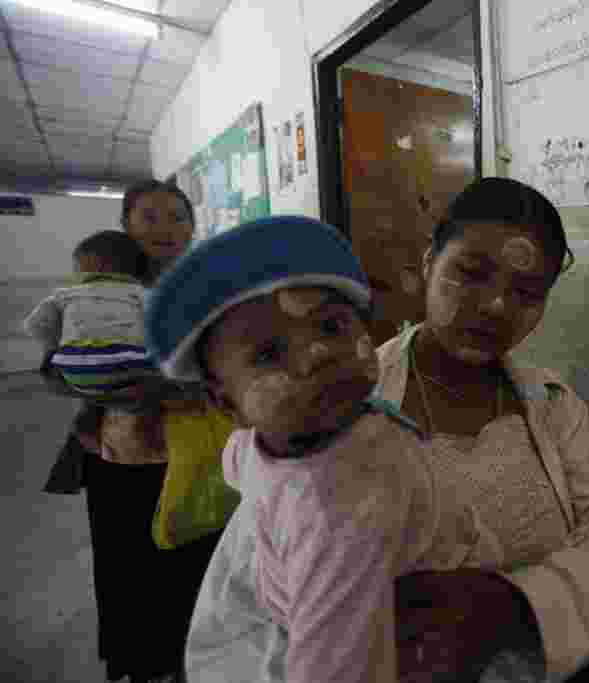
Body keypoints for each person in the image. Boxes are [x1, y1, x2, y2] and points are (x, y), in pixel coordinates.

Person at [144, 215, 503, 683]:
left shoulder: (261, 442)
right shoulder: (339, 515)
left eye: (332, 327)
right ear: (226, 401)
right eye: (269, 355)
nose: (318, 354)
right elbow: (335, 667)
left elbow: (239, 463)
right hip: (386, 619)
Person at [375, 177, 589, 682]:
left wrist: (512, 602)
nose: (498, 306)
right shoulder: (349, 408)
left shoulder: (554, 407)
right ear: (429, 261)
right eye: (472, 273)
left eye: (526, 292)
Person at [58, 179, 221, 683]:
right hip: (122, 456)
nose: (166, 228)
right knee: (130, 573)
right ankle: (146, 664)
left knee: (194, 566)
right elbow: (60, 364)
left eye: (177, 216)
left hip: (197, 454)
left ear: (193, 228)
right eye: (150, 217)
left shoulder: (207, 287)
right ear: (126, 226)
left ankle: (195, 661)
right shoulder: (101, 285)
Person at [25, 230, 162, 414]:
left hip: (74, 371)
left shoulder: (65, 295)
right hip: (131, 367)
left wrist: (56, 344)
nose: (74, 275)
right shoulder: (140, 292)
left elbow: (35, 325)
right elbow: (160, 322)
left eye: (76, 268)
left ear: (97, 266)